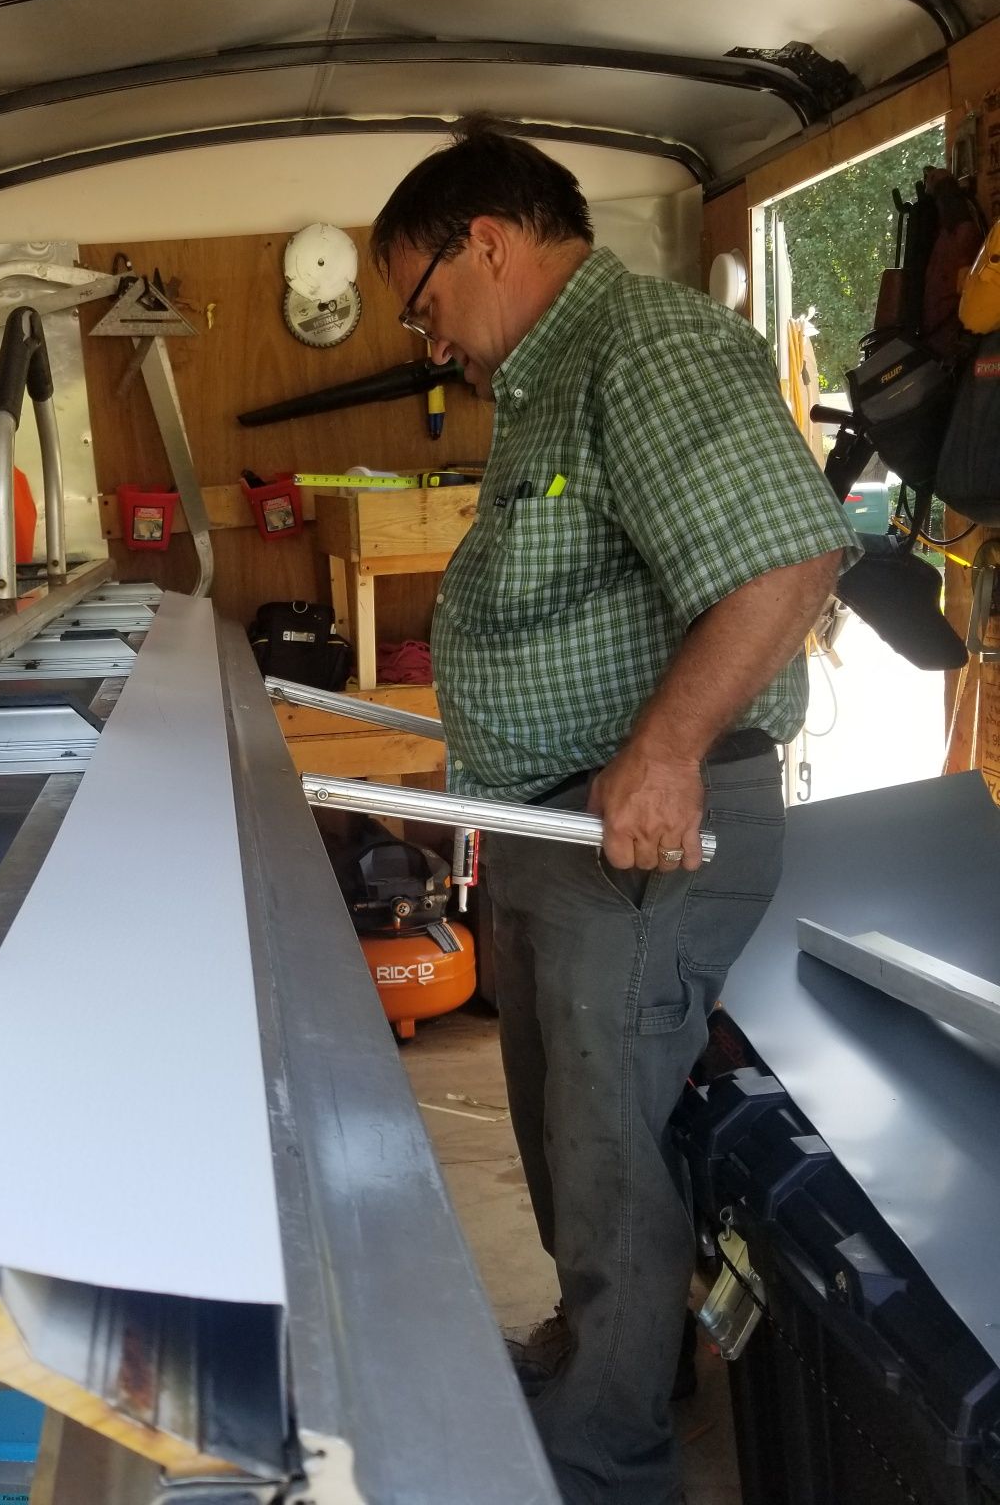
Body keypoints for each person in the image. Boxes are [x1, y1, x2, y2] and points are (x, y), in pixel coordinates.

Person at [370, 116, 860, 1504]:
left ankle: (606, 1459)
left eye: (425, 300)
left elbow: (789, 557)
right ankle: (603, 1354)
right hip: (558, 835)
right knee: (561, 1130)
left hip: (635, 834)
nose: (426, 338)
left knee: (606, 1157)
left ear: (490, 242)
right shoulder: (544, 379)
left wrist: (664, 752)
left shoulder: (637, 343)